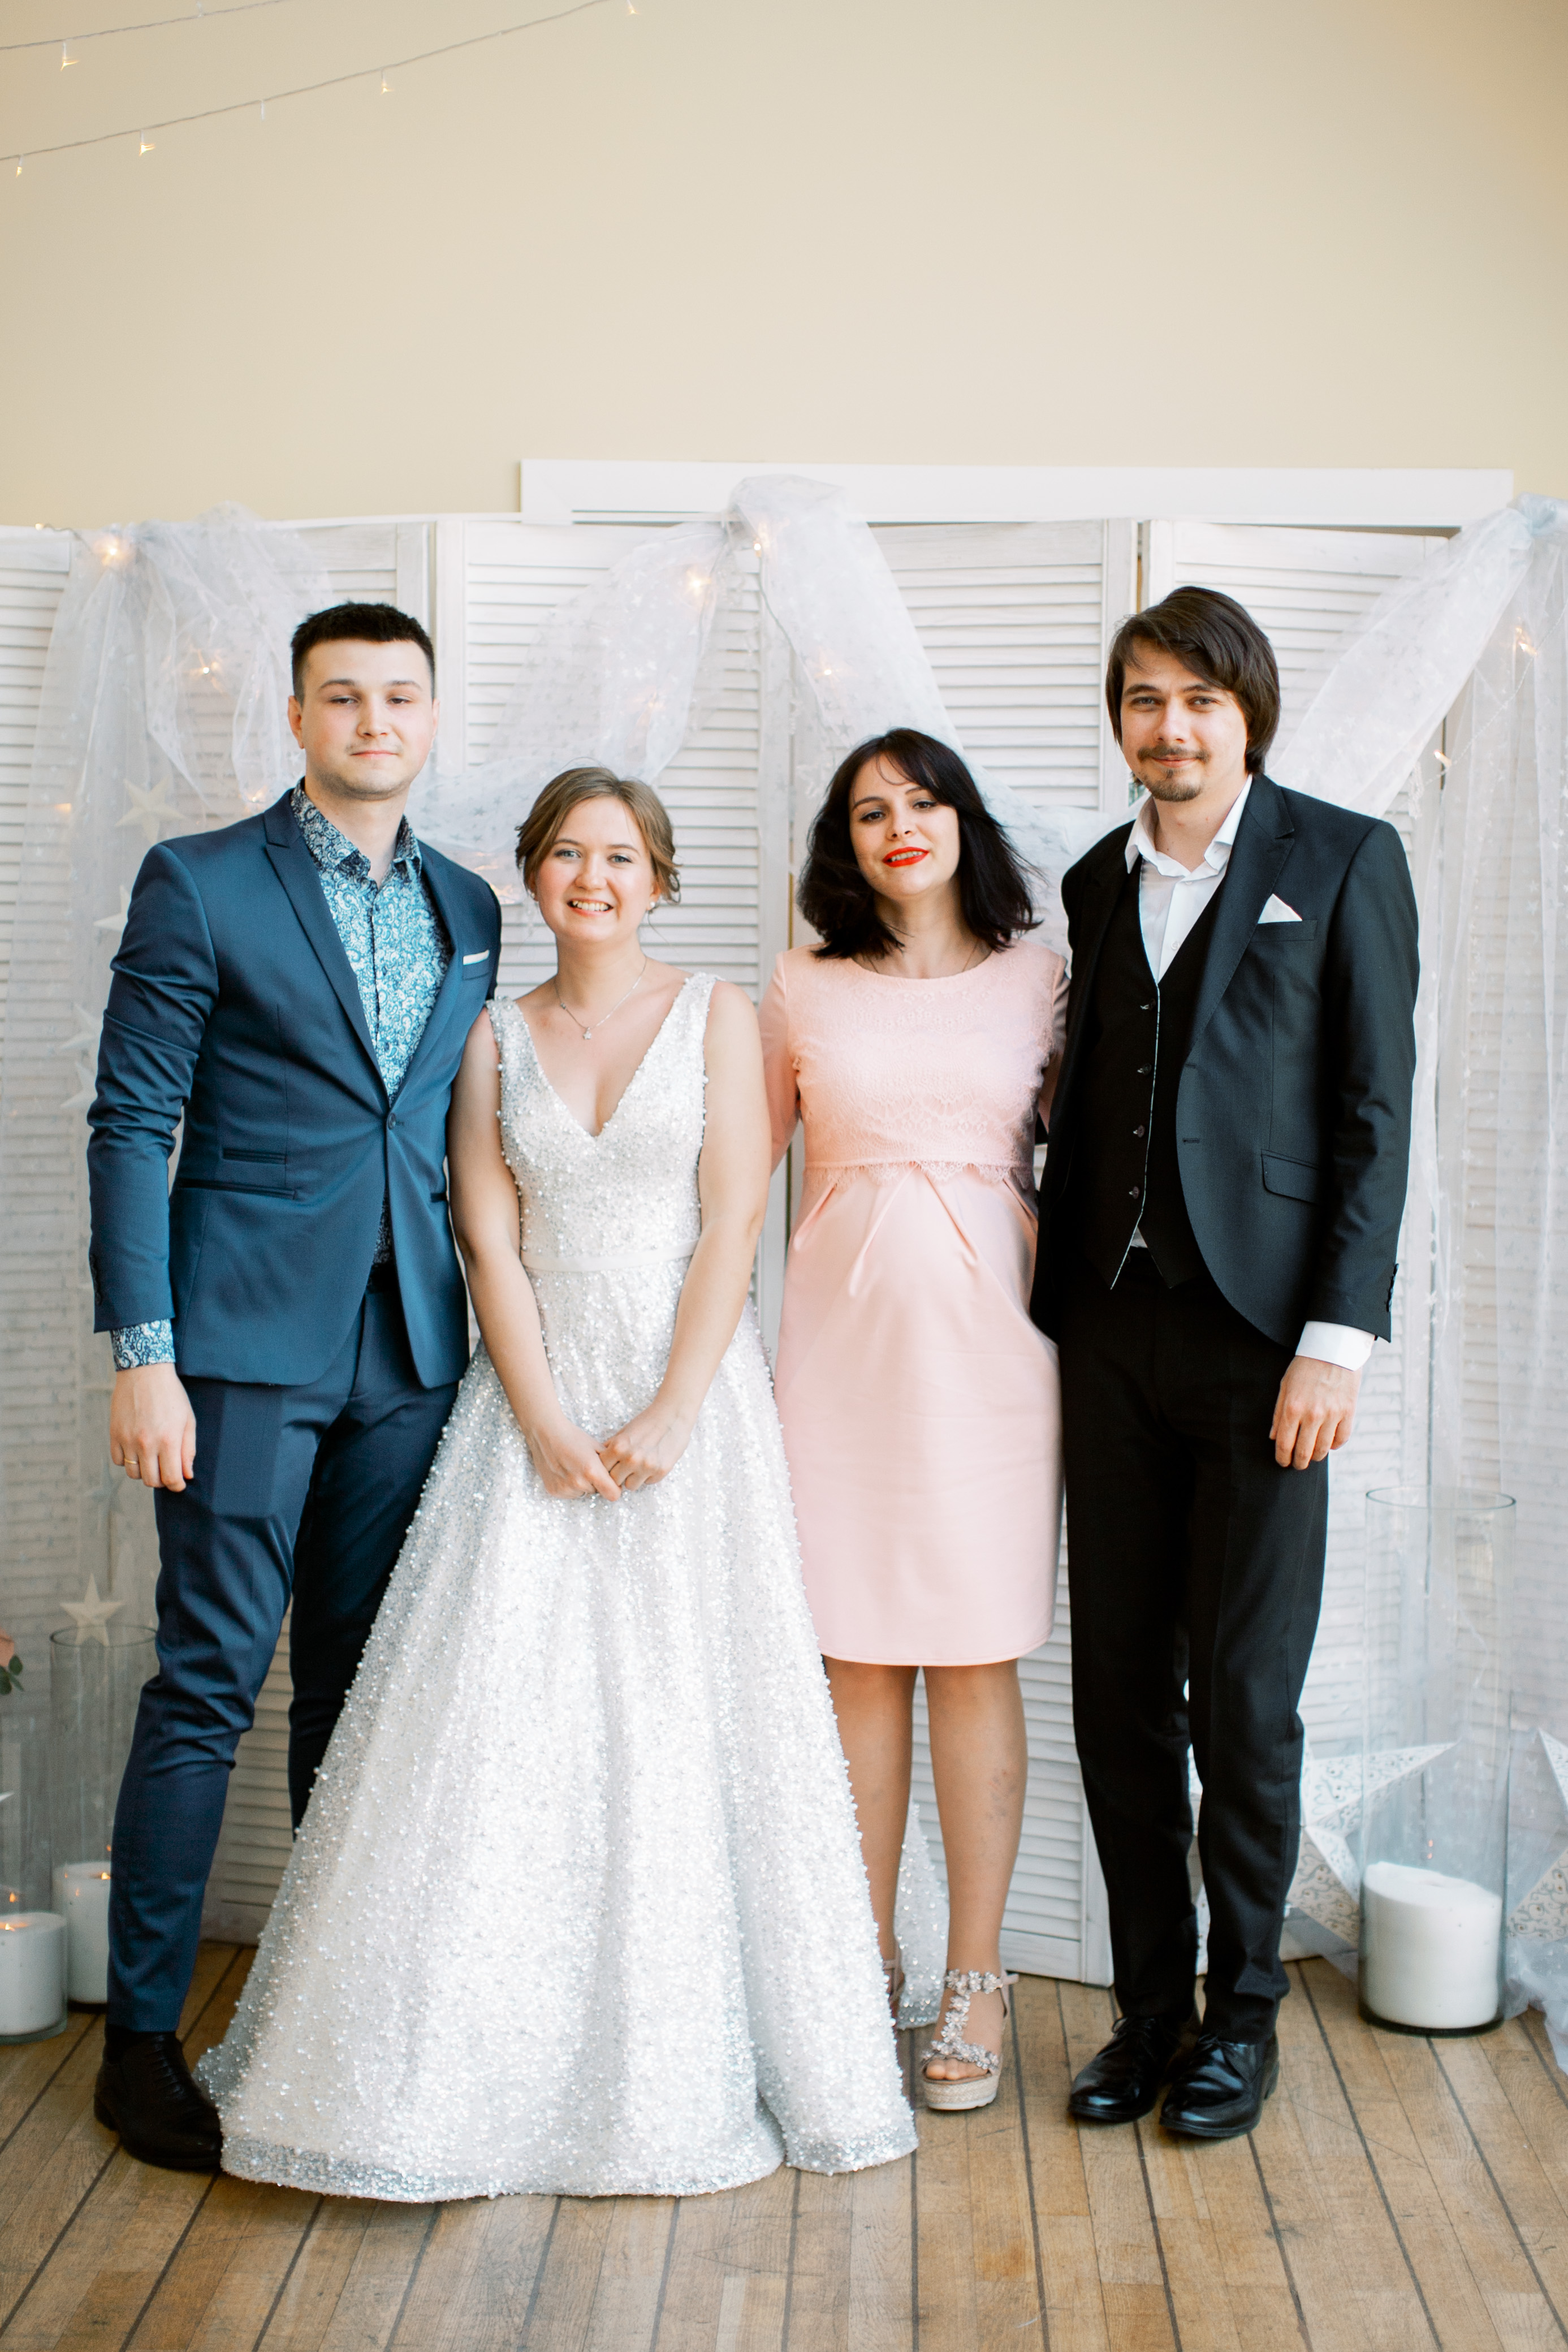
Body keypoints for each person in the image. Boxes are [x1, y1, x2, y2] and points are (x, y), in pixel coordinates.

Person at [195, 767, 915, 2199]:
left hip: (687, 1408)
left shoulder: (719, 1017)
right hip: (527, 1408)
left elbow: (733, 1223)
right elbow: (487, 1240)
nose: (594, 877)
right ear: (531, 875)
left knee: (684, 1714)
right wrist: (536, 1414)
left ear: (660, 878)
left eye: (621, 856)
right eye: (569, 854)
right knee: (498, 1724)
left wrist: (673, 1409)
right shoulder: (488, 1035)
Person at [85, 602, 502, 2172]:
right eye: (343, 697)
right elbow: (132, 1124)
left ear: (430, 717)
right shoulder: (199, 881)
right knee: (207, 1683)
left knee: (354, 1692)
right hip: (240, 1354)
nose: (374, 720)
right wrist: (146, 1358)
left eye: (399, 696)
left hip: (411, 1353)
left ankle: (323, 2023)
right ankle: (140, 2041)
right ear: (296, 717)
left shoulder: (471, 903)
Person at [1033, 586, 1419, 2140]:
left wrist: (1335, 1343)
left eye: (1197, 698)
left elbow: (1373, 1115)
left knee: (1246, 1702)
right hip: (1105, 1336)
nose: (1170, 725)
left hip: (1265, 1348)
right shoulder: (1089, 880)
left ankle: (1243, 2017)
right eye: (1143, 698)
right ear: (1120, 722)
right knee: (1117, 1695)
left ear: (1245, 711)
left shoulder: (1342, 859)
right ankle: (1149, 2014)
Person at [761, 728, 1066, 2113]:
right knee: (857, 1665)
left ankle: (975, 1974)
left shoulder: (1040, 979)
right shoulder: (799, 987)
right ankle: (859, 1956)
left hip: (994, 1362)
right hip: (838, 1363)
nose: (899, 825)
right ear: (845, 843)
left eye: (923, 801)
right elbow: (726, 1179)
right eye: (869, 810)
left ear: (961, 822)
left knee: (977, 1658)